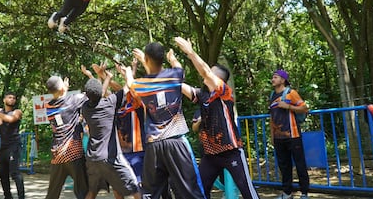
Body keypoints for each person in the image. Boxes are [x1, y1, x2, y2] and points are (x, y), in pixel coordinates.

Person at [174, 37, 259, 199]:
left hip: (231, 152)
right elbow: (179, 84)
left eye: (211, 72)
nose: (206, 73)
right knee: (198, 192)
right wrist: (170, 66)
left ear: (219, 80)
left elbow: (204, 71)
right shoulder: (203, 95)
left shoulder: (224, 93)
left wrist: (190, 53)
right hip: (211, 155)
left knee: (248, 193)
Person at [127, 42, 206, 199]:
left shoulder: (142, 84)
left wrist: (130, 71)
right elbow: (176, 66)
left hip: (154, 145)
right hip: (176, 141)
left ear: (147, 59)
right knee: (191, 190)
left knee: (150, 193)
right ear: (162, 59)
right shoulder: (176, 75)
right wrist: (172, 58)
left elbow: (130, 84)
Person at [82, 69, 141, 199]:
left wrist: (108, 78)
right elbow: (127, 86)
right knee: (134, 187)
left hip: (92, 157)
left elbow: (99, 93)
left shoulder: (85, 108)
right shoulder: (110, 104)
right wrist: (129, 72)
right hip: (111, 156)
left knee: (92, 192)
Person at [43, 75, 89, 199]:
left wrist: (64, 90)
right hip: (73, 153)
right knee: (83, 191)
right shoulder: (74, 100)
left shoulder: (48, 107)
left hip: (57, 154)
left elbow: (63, 106)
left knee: (53, 193)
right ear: (62, 88)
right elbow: (92, 92)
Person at [269, 69, 310, 199]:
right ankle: (287, 193)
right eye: (273, 77)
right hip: (278, 137)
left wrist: (289, 107)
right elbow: (271, 117)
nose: (273, 79)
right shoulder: (272, 95)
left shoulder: (291, 93)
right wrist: (272, 135)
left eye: (275, 77)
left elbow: (304, 108)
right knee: (284, 166)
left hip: (293, 136)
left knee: (300, 164)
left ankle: (304, 193)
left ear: (283, 80)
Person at [0, 92, 25, 199]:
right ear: (4, 100)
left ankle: (21, 197)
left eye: (14, 98)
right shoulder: (0, 111)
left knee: (15, 173)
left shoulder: (17, 112)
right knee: (3, 174)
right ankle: (7, 196)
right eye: (9, 97)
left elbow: (10, 119)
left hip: (14, 146)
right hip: (3, 147)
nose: (12, 99)